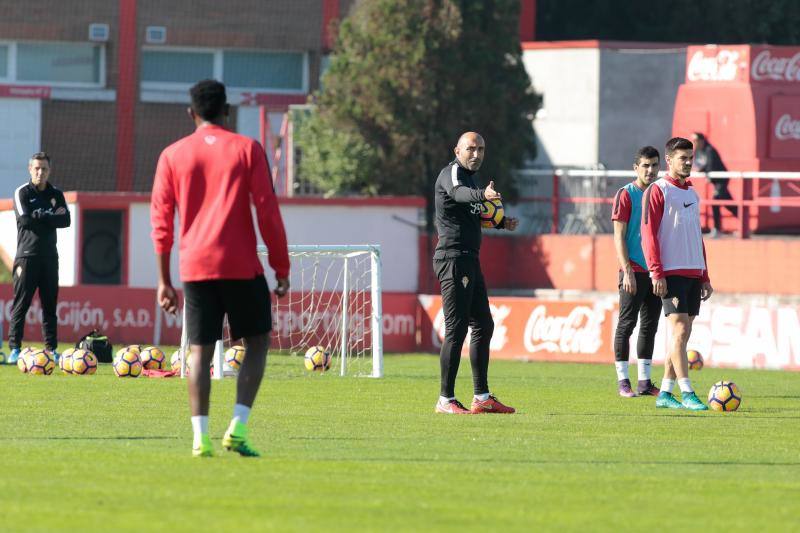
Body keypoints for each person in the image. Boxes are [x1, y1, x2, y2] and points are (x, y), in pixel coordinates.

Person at [150, 79, 290, 457]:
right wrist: (281, 268)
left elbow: (161, 223)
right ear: (226, 111)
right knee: (258, 342)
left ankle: (200, 438)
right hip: (241, 265)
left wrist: (164, 281)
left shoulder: (172, 155)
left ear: (191, 113)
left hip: (195, 268)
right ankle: (238, 427)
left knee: (199, 352)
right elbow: (268, 212)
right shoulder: (247, 149)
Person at [432, 131, 519, 415]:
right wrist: (483, 195)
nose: (476, 154)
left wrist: (500, 222)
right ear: (457, 150)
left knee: (484, 324)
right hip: (453, 259)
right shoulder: (453, 173)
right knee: (456, 328)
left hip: (469, 260)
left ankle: (481, 396)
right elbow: (458, 194)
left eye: (481, 149)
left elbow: (470, 214)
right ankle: (445, 399)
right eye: (471, 148)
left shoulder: (471, 179)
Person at [641, 137, 713, 411]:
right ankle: (688, 392)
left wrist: (704, 275)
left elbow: (697, 236)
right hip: (670, 272)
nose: (688, 163)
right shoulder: (658, 191)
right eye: (683, 158)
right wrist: (656, 272)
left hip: (693, 272)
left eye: (690, 158)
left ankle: (665, 393)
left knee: (681, 336)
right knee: (679, 330)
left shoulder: (692, 194)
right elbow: (648, 235)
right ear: (669, 161)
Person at [7, 152, 70, 365]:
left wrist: (41, 215)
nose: (40, 172)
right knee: (21, 304)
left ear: (49, 170)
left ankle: (51, 349)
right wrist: (50, 216)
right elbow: (25, 220)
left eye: (44, 169)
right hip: (27, 257)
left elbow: (66, 220)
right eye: (36, 168)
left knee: (50, 306)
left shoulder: (56, 194)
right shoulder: (22, 193)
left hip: (50, 257)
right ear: (30, 170)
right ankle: (15, 349)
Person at [611, 146, 663, 398]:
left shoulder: (661, 193)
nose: (650, 170)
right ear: (636, 168)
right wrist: (627, 270)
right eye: (645, 165)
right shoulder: (626, 194)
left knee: (650, 326)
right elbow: (619, 236)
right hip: (633, 269)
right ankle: (623, 381)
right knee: (626, 324)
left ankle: (644, 382)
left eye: (654, 165)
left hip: (655, 272)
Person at [692, 132, 736, 238]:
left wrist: (702, 170)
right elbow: (699, 164)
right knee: (729, 204)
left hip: (721, 180)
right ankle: (745, 222)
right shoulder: (699, 151)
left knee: (715, 201)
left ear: (701, 141)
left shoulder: (709, 150)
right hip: (716, 182)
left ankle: (717, 229)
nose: (694, 143)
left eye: (695, 140)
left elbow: (710, 165)